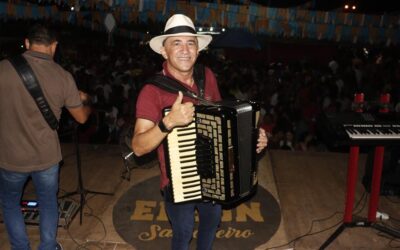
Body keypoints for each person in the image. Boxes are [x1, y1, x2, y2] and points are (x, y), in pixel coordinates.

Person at [131, 14, 268, 250]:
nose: (185, 50)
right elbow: (138, 147)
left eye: (190, 43)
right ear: (164, 51)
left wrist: (252, 136)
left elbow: (221, 117)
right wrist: (168, 122)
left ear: (198, 49)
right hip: (178, 180)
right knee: (183, 232)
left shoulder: (207, 76)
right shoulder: (152, 92)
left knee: (211, 222)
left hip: (214, 172)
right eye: (176, 42)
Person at [0, 24, 91, 250]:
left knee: (10, 203)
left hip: (10, 156)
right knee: (48, 202)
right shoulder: (63, 76)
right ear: (54, 46)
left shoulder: (2, 69)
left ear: (28, 43)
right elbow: (81, 118)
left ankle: (20, 247)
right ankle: (48, 246)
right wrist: (86, 100)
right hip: (47, 157)